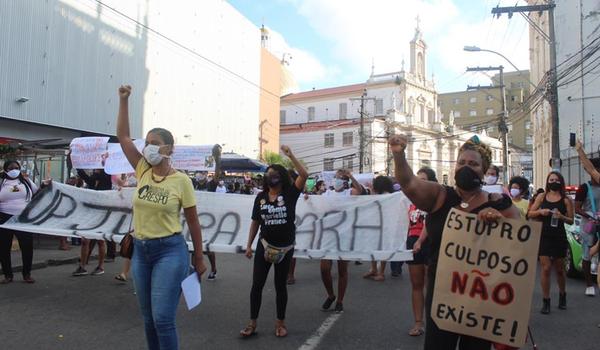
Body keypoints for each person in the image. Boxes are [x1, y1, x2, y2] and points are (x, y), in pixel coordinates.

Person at [389, 134, 520, 350]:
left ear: (484, 170)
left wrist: (499, 220)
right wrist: (399, 155)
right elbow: (409, 183)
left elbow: (521, 240)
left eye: (473, 164)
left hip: (481, 297)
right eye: (461, 162)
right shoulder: (439, 195)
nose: (466, 167)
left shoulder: (497, 202)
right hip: (443, 296)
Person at [117, 85, 207, 350]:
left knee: (163, 318)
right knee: (148, 320)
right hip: (140, 252)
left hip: (170, 251)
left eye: (154, 144)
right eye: (146, 143)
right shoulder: (142, 168)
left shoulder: (182, 181)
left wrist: (199, 258)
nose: (148, 148)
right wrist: (124, 100)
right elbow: (123, 136)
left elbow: (193, 223)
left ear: (169, 148)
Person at [240, 145, 307, 338]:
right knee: (257, 285)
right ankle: (252, 323)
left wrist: (290, 154)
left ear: (282, 177)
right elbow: (255, 222)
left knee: (280, 286)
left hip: (285, 249)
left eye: (275, 173)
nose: (271, 176)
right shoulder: (260, 198)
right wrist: (249, 245)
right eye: (268, 174)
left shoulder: (290, 194)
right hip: (264, 247)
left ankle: (280, 323)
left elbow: (304, 174)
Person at [528, 171, 574, 314]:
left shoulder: (566, 200)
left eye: (556, 179)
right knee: (546, 268)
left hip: (559, 236)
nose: (553, 181)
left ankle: (562, 295)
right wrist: (541, 213)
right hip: (544, 235)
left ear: (560, 182)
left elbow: (571, 220)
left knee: (559, 270)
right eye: (551, 179)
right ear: (548, 182)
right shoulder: (542, 197)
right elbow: (529, 213)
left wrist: (561, 217)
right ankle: (546, 301)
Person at [320, 169, 365, 313]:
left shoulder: (349, 193)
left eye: (340, 177)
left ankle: (340, 300)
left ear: (345, 181)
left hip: (344, 236)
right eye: (335, 177)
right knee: (324, 268)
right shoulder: (327, 193)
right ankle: (331, 295)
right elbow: (315, 204)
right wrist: (308, 199)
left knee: (342, 270)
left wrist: (351, 175)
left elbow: (361, 191)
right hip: (328, 235)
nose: (336, 179)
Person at [0, 160, 45, 284]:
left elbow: (37, 193)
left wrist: (44, 186)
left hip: (23, 218)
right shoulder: (1, 183)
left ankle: (27, 274)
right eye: (11, 167)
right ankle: (8, 275)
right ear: (5, 169)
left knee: (27, 247)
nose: (14, 169)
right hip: (4, 218)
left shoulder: (26, 181)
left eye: (16, 167)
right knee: (4, 248)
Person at [406, 167, 437, 337]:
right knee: (416, 285)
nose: (420, 183)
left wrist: (420, 240)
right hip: (413, 242)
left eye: (423, 179)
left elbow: (431, 221)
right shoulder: (408, 198)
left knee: (432, 285)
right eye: (418, 179)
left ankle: (435, 322)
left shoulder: (436, 199)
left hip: (430, 242)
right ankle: (418, 322)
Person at [71, 166, 110, 276]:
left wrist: (99, 167)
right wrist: (78, 166)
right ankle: (82, 266)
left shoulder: (107, 175)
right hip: (90, 211)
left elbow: (100, 179)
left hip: (102, 211)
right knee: (85, 240)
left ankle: (100, 266)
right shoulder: (94, 176)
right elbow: (88, 180)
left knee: (100, 240)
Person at [573, 157, 600, 296]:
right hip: (589, 224)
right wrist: (590, 216)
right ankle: (589, 284)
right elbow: (577, 208)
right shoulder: (584, 188)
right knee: (587, 252)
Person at [363, 175, 395, 281]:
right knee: (374, 248)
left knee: (382, 249)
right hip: (377, 225)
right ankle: (374, 269)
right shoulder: (383, 194)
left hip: (384, 226)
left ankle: (380, 272)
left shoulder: (387, 196)